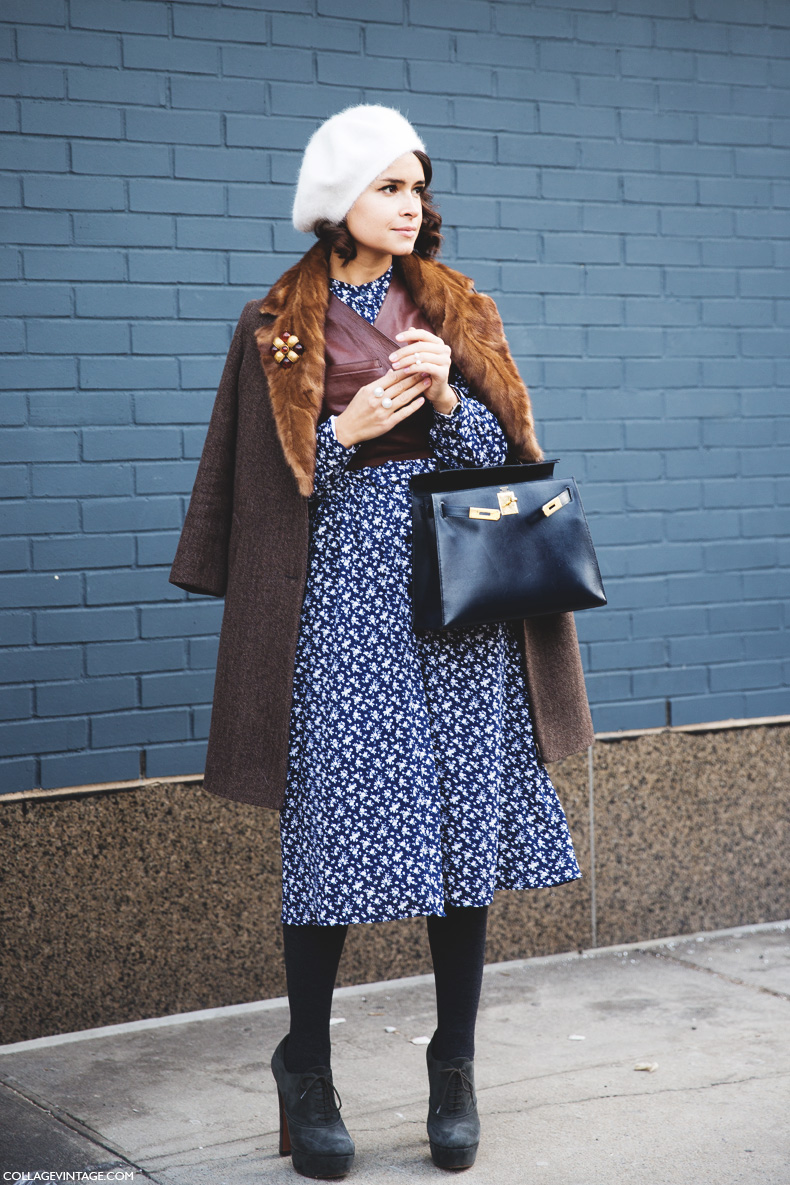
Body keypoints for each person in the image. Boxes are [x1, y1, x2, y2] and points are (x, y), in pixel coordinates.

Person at [169, 104, 594, 1179]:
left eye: (418, 186)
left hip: (457, 595)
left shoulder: (457, 304)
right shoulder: (276, 322)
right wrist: (338, 437)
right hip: (341, 598)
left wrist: (447, 395)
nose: (412, 205)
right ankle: (303, 1067)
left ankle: (453, 1065)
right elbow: (259, 486)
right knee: (335, 832)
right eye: (389, 186)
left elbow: (510, 455)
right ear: (338, 198)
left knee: (458, 822)